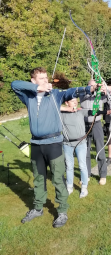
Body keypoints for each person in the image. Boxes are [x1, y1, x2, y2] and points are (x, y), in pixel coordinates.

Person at [11, 67, 101, 228]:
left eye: (46, 78)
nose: (46, 81)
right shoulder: (29, 96)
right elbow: (14, 84)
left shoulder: (56, 95)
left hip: (53, 143)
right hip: (37, 144)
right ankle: (38, 208)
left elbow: (72, 91)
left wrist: (89, 88)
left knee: (58, 178)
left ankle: (62, 211)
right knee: (39, 178)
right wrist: (37, 88)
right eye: (41, 78)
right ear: (33, 81)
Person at [79, 79, 111, 186]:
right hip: (84, 124)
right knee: (85, 151)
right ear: (88, 86)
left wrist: (106, 90)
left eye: (96, 86)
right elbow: (88, 93)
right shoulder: (83, 93)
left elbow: (109, 98)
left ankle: (103, 175)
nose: (95, 87)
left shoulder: (100, 95)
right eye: (92, 85)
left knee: (100, 149)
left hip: (97, 124)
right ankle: (87, 174)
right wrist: (94, 89)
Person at [60, 98, 89, 198]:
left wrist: (108, 111)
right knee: (69, 166)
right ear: (66, 103)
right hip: (67, 144)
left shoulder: (80, 111)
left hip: (80, 143)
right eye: (72, 101)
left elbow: (94, 111)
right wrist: (64, 109)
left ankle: (84, 188)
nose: (75, 102)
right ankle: (69, 187)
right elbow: (52, 109)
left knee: (82, 165)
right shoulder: (61, 114)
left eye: (76, 100)